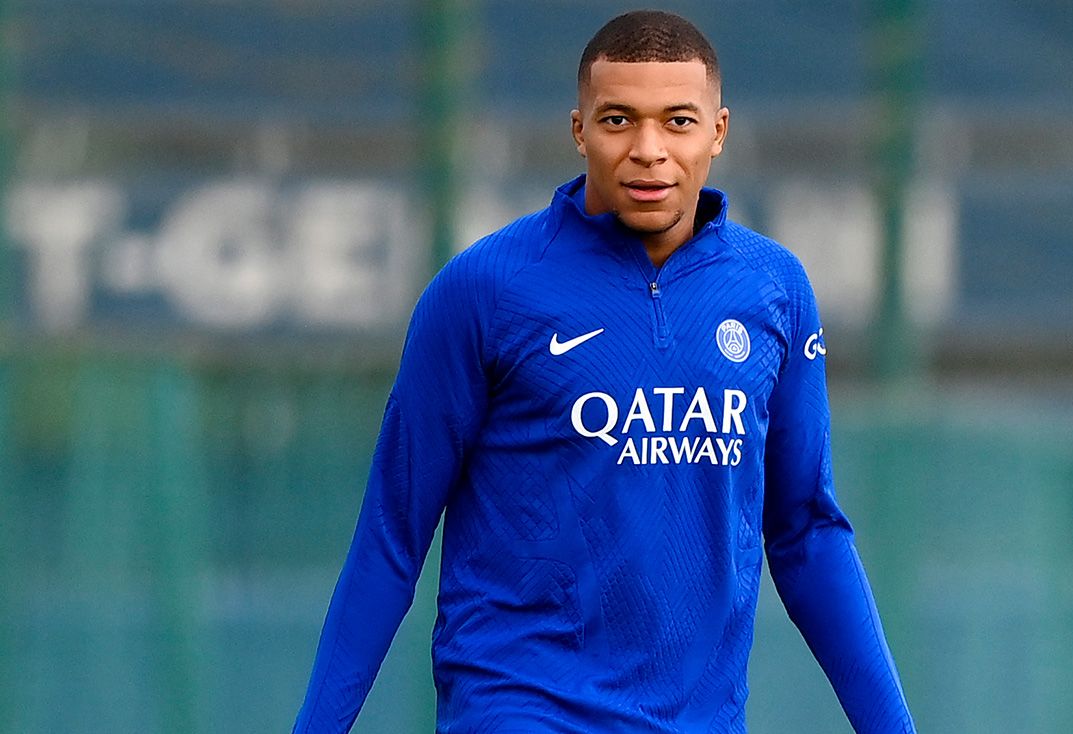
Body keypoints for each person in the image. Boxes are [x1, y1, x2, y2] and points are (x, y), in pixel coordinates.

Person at [294, 10, 915, 733]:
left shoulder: (773, 289)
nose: (648, 150)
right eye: (618, 120)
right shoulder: (487, 291)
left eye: (677, 122)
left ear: (718, 130)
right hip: (521, 707)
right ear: (579, 130)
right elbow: (392, 535)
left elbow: (806, 532)